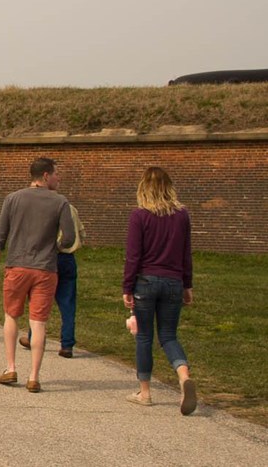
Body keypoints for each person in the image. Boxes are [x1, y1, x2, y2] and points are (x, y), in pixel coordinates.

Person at [0, 157, 77, 394]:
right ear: (45, 176)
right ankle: (34, 377)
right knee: (38, 323)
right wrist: (53, 248)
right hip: (46, 269)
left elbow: (0, 236)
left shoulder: (13, 199)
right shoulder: (60, 202)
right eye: (56, 174)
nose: (59, 178)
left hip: (17, 266)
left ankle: (11, 367)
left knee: (11, 316)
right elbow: (69, 237)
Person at [122, 166, 197, 415]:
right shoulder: (182, 215)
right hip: (173, 281)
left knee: (144, 336)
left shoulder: (139, 216)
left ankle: (145, 392)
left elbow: (133, 256)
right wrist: (187, 285)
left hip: (145, 281)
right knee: (168, 336)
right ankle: (183, 375)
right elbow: (186, 254)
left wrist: (127, 287)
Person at [21, 202, 85, 358]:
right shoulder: (71, 208)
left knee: (40, 299)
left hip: (48, 258)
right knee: (68, 303)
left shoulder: (44, 207)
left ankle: (34, 338)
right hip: (68, 258)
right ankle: (67, 344)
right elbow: (81, 233)